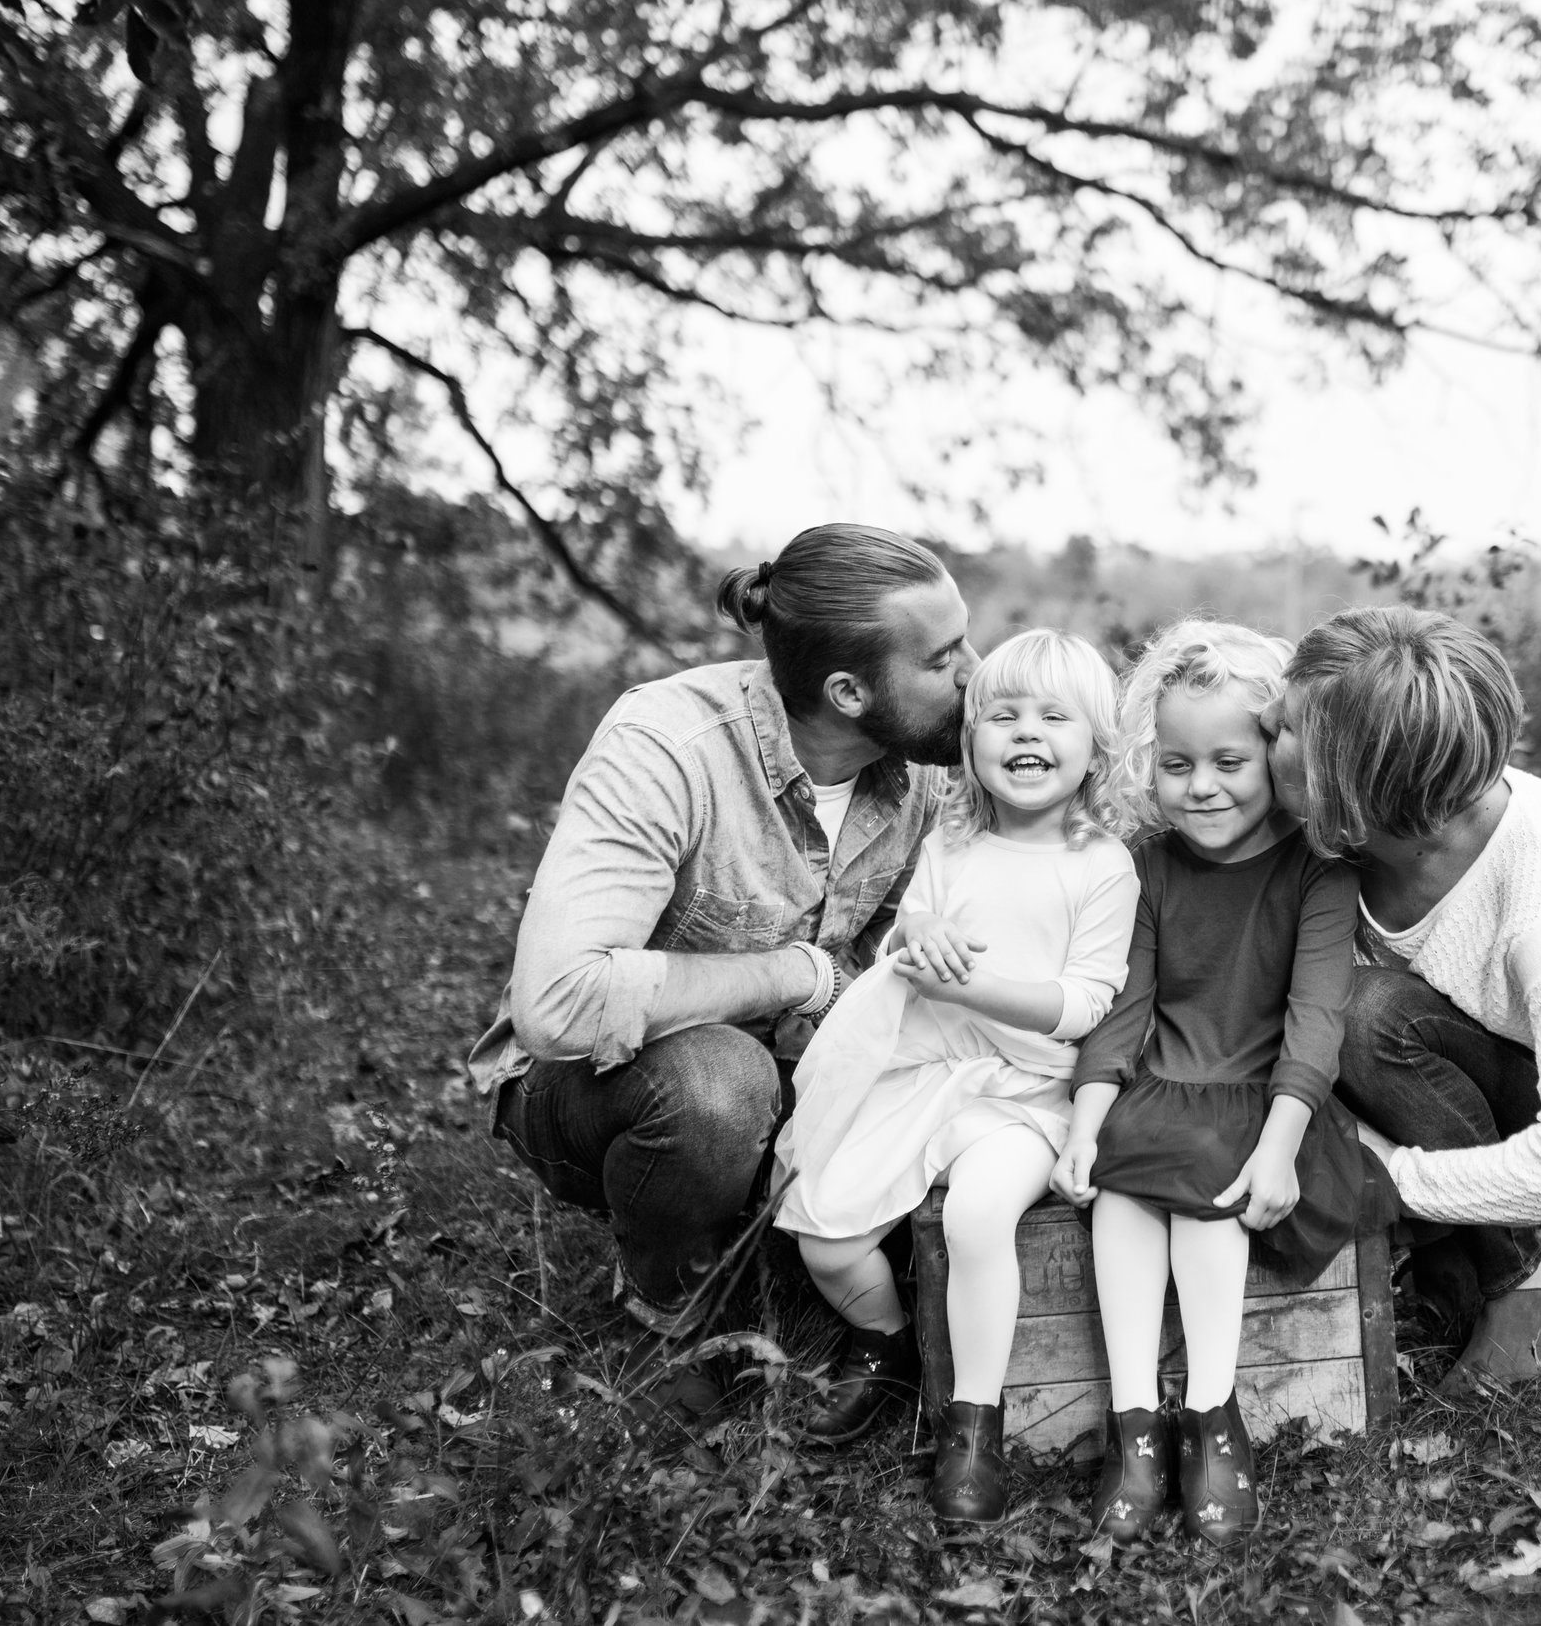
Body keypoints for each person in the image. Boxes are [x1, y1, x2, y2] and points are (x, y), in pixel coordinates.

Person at [469, 524, 977, 1337]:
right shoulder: (668, 747)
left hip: (793, 1066)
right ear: (848, 692)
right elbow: (557, 1006)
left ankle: (814, 1277)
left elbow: (884, 961)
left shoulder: (917, 769)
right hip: (590, 1082)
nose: (973, 672)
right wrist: (795, 974)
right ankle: (666, 1311)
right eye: (943, 658)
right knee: (720, 1088)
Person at [1260, 605, 1541, 1392]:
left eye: (1284, 727)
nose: (1262, 722)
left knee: (1364, 1015)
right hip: (1437, 1070)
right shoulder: (1340, 832)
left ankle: (1517, 1281)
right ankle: (1438, 1260)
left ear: (1349, 784)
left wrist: (1387, 1178)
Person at [773, 629, 1139, 1523]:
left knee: (979, 1215)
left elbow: (1085, 1004)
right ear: (970, 738)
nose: (1027, 732)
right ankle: (885, 1337)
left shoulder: (1102, 864)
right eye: (1002, 714)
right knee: (823, 1230)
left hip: (1024, 1094)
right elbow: (913, 933)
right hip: (923, 1065)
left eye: (1056, 717)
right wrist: (913, 940)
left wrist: (970, 980)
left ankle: (973, 1419)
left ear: (1096, 747)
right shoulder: (952, 836)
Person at [1051, 620, 1399, 1546]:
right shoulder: (1149, 866)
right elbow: (1125, 1010)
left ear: (1276, 758)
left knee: (1210, 1178)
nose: (1201, 785)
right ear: (1149, 765)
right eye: (1176, 763)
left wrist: (1280, 1147)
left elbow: (1317, 1021)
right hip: (1161, 1089)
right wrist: (1086, 1121)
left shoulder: (1318, 870)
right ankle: (1138, 1427)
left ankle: (1212, 1414)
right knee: (1120, 1180)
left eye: (1230, 760)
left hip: (1267, 1101)